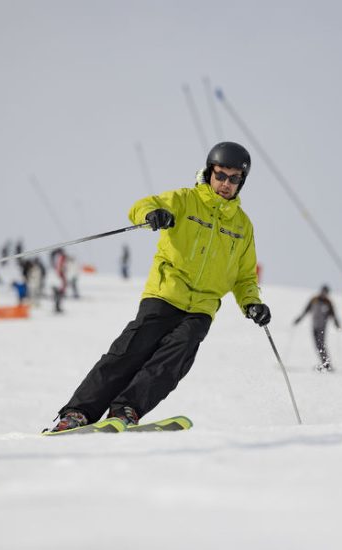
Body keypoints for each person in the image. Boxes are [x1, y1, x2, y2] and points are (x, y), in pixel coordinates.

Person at [50, 141, 269, 432]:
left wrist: (251, 302)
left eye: (234, 178)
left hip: (201, 308)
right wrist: (152, 215)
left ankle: (126, 409)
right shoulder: (184, 200)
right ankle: (78, 413)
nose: (225, 184)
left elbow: (244, 277)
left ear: (242, 181)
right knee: (128, 353)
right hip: (165, 294)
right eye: (220, 175)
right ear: (209, 172)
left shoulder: (243, 226)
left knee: (172, 362)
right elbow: (141, 206)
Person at [293, 284, 341, 372]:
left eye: (326, 292)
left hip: (322, 328)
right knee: (317, 345)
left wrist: (336, 323)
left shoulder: (328, 302)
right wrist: (299, 319)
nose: (324, 294)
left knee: (321, 345)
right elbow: (306, 310)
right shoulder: (314, 300)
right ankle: (325, 363)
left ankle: (327, 364)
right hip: (314, 326)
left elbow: (333, 315)